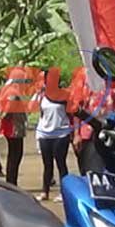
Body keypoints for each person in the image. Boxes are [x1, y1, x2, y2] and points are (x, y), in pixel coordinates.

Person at [35, 71, 73, 202]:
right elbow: (40, 114)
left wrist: (73, 133)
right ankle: (45, 191)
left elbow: (72, 114)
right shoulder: (42, 96)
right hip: (45, 135)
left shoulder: (65, 95)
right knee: (47, 165)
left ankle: (64, 193)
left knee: (61, 164)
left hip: (61, 134)